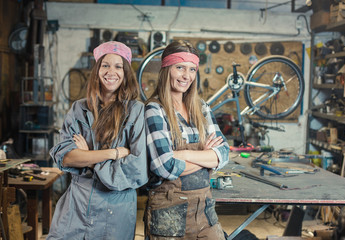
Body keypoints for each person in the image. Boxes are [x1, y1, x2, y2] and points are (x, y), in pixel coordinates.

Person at [47, 41, 148, 240]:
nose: (111, 71)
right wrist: (115, 153)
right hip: (77, 204)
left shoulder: (136, 111)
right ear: (97, 70)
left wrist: (87, 158)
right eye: (105, 65)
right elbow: (66, 158)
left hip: (115, 209)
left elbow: (137, 169)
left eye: (118, 66)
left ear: (126, 72)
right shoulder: (78, 109)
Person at [144, 40, 229, 239]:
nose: (186, 76)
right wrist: (206, 158)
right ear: (166, 69)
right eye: (180, 68)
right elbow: (164, 166)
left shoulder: (201, 107)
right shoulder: (155, 110)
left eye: (192, 69)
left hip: (204, 210)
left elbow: (223, 154)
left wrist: (183, 154)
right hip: (169, 212)